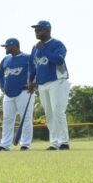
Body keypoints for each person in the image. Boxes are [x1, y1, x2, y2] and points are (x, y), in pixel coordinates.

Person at [29, 20, 70, 150]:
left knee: (58, 111)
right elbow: (32, 66)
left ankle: (64, 142)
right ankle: (54, 142)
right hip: (42, 84)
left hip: (57, 81)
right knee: (49, 114)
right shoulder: (35, 48)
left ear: (47, 30)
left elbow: (59, 60)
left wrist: (45, 49)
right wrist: (30, 81)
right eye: (36, 30)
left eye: (39, 29)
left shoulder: (57, 44)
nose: (37, 32)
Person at [0, 38, 34, 151]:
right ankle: (4, 144)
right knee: (7, 119)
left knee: (26, 118)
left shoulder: (27, 58)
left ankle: (25, 144)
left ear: (14, 46)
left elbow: (35, 70)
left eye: (7, 46)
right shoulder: (5, 59)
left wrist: (33, 83)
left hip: (24, 92)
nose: (5, 48)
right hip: (8, 93)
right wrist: (2, 87)